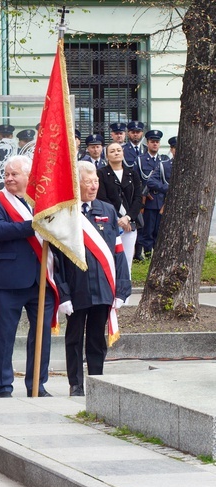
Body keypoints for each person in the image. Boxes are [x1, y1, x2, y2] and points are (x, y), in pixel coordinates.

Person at [54, 161, 131, 396]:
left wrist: (121, 289)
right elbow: (56, 259)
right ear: (77, 184)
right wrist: (63, 294)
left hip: (103, 286)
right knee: (75, 337)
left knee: (97, 337)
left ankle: (97, 381)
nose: (94, 186)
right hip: (76, 287)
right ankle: (76, 384)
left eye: (96, 181)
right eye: (88, 181)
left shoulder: (107, 210)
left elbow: (118, 253)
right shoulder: (65, 212)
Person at [0, 155, 56, 398]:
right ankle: (2, 386)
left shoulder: (44, 203)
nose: (9, 178)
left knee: (42, 336)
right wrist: (35, 225)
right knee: (4, 336)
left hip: (41, 279)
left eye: (14, 174)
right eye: (6, 174)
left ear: (28, 176)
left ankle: (37, 384)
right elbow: (0, 231)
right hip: (10, 280)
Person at [96, 142, 143, 275]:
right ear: (106, 156)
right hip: (111, 223)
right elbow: (103, 199)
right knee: (111, 261)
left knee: (127, 262)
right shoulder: (102, 174)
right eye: (112, 151)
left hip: (129, 224)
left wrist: (127, 218)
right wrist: (118, 219)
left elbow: (138, 198)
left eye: (118, 150)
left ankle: (125, 295)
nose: (116, 153)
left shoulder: (132, 174)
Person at [137, 130, 169, 258]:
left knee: (159, 230)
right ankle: (147, 254)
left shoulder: (164, 160)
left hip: (161, 200)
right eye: (152, 142)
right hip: (148, 201)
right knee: (147, 230)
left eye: (157, 142)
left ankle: (157, 256)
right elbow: (136, 180)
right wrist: (142, 196)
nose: (155, 144)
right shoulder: (141, 160)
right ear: (148, 143)